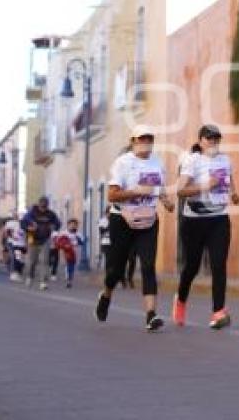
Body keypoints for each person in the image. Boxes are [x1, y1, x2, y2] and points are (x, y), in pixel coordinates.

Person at [95, 126, 174, 331]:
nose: (145, 141)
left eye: (149, 138)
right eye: (141, 138)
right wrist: (136, 191)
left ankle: (151, 314)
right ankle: (106, 296)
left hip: (148, 219)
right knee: (116, 269)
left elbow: (159, 187)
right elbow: (112, 196)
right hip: (122, 219)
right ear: (133, 141)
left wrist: (166, 201)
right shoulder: (123, 163)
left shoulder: (158, 162)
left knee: (148, 266)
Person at [173, 124, 239, 330]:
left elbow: (230, 182)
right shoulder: (192, 160)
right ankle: (181, 300)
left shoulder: (225, 160)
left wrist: (234, 194)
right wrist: (205, 186)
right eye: (209, 139)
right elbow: (180, 191)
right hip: (194, 221)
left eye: (216, 139)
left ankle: (218, 312)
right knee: (191, 267)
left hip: (218, 219)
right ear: (201, 141)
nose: (213, 142)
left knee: (218, 265)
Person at [20, 196, 62, 290]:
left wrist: (54, 227)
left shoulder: (50, 214)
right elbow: (23, 223)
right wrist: (28, 228)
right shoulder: (31, 213)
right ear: (38, 205)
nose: (43, 209)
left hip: (45, 239)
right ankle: (30, 276)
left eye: (45, 207)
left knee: (45, 260)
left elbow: (58, 223)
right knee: (32, 261)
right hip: (32, 238)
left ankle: (43, 281)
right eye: (41, 207)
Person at [55, 218, 83, 288]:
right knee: (67, 265)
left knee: (72, 266)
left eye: (75, 225)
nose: (73, 226)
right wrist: (64, 245)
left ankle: (70, 279)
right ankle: (68, 280)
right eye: (71, 225)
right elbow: (58, 242)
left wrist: (76, 242)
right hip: (65, 252)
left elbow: (81, 242)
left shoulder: (78, 234)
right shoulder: (63, 233)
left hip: (75, 251)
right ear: (68, 225)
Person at [3, 213, 25, 282]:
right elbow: (7, 232)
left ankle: (18, 273)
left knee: (20, 259)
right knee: (14, 257)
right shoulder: (10, 223)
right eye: (16, 215)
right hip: (12, 243)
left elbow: (26, 233)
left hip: (21, 244)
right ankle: (13, 273)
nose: (17, 217)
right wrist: (12, 237)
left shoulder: (23, 224)